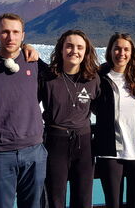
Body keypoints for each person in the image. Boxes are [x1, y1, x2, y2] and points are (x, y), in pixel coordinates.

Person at [0, 13, 46, 208]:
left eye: (16, 32)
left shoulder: (34, 63)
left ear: (23, 36)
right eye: (5, 32)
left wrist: (29, 49)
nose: (10, 37)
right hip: (0, 155)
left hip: (34, 152)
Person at [39, 30, 100, 208]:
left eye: (80, 47)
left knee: (83, 197)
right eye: (69, 46)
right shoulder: (48, 77)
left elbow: (104, 110)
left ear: (86, 51)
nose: (74, 51)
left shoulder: (93, 79)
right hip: (55, 141)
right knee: (55, 197)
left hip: (84, 143)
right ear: (61, 49)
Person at [93, 33, 135, 208]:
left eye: (126, 49)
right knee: (114, 204)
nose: (121, 53)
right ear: (110, 51)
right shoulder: (98, 77)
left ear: (132, 52)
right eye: (117, 48)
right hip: (110, 152)